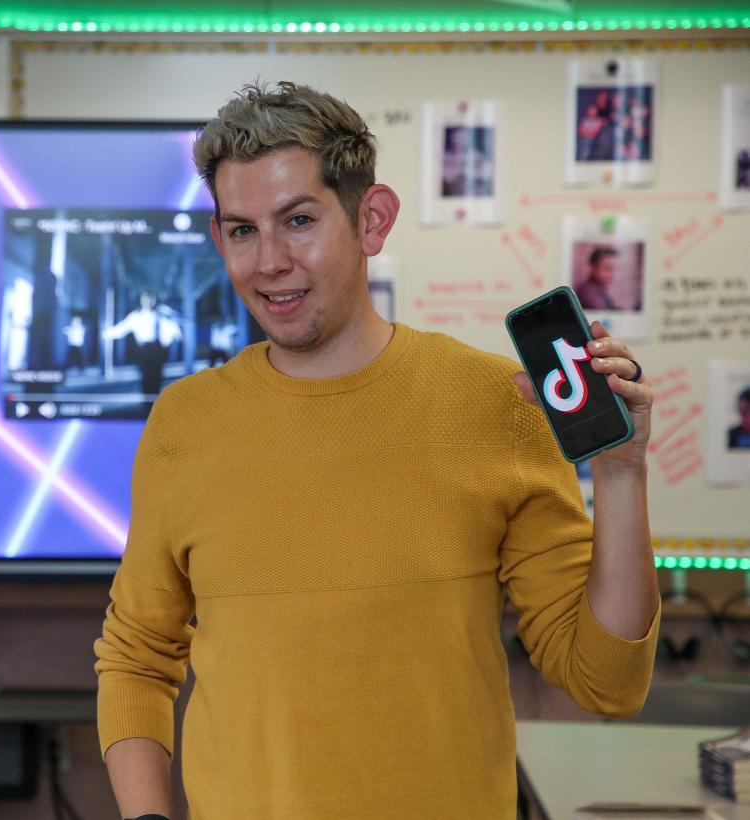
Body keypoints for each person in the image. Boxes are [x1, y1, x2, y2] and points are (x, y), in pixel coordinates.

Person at [94, 81, 658, 820]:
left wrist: (619, 471)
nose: (268, 262)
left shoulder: (497, 404)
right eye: (241, 230)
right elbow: (137, 658)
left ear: (372, 219)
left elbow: (606, 681)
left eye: (298, 221)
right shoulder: (185, 422)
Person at [103, 291, 181, 397]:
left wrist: (167, 342)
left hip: (158, 349)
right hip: (143, 350)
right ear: (141, 301)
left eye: (150, 299)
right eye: (145, 299)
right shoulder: (136, 316)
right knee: (146, 376)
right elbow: (122, 328)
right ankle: (147, 403)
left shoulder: (162, 314)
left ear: (154, 301)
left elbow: (173, 328)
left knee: (157, 377)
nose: (148, 302)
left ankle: (154, 402)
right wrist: (106, 334)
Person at [574, 246, 635, 312]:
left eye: (616, 269)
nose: (613, 274)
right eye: (608, 268)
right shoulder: (587, 293)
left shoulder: (600, 291)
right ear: (593, 267)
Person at [440, 126, 493, 197]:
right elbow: (446, 177)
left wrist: (469, 172)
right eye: (456, 138)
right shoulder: (446, 157)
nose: (459, 141)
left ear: (468, 140)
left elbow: (487, 174)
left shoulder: (477, 156)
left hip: (474, 195)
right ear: (452, 139)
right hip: (450, 194)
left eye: (462, 138)